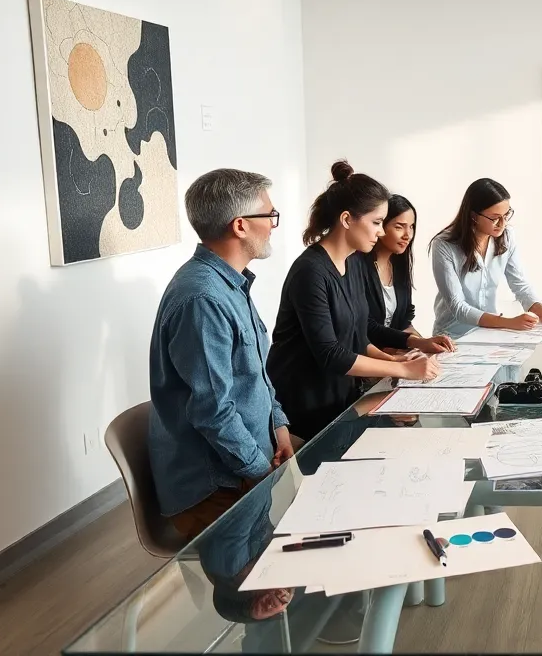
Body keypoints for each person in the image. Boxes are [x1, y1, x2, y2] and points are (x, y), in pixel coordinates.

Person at [148, 168, 294, 541]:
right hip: (218, 483)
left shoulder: (230, 283)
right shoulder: (204, 298)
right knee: (270, 570)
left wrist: (278, 427)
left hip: (248, 462)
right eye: (270, 215)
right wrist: (260, 469)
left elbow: (255, 375)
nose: (273, 224)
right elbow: (213, 410)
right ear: (240, 226)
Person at [268, 161, 442, 442]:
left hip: (340, 401)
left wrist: (394, 358)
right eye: (376, 222)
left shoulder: (354, 264)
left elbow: (358, 336)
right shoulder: (310, 271)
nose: (381, 232)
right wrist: (401, 368)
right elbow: (330, 353)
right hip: (302, 408)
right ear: (347, 219)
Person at [430, 178, 542, 338]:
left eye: (506, 215)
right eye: (495, 218)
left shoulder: (507, 237)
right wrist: (509, 322)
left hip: (489, 333)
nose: (502, 223)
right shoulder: (444, 245)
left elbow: (520, 285)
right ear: (473, 216)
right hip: (452, 336)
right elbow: (458, 306)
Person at [363, 193, 436, 340]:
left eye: (411, 227)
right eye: (399, 227)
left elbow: (404, 323)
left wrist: (424, 343)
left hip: (397, 348)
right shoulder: (359, 267)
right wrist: (409, 345)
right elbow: (364, 326)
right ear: (380, 225)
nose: (407, 235)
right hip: (370, 351)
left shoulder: (399, 267)